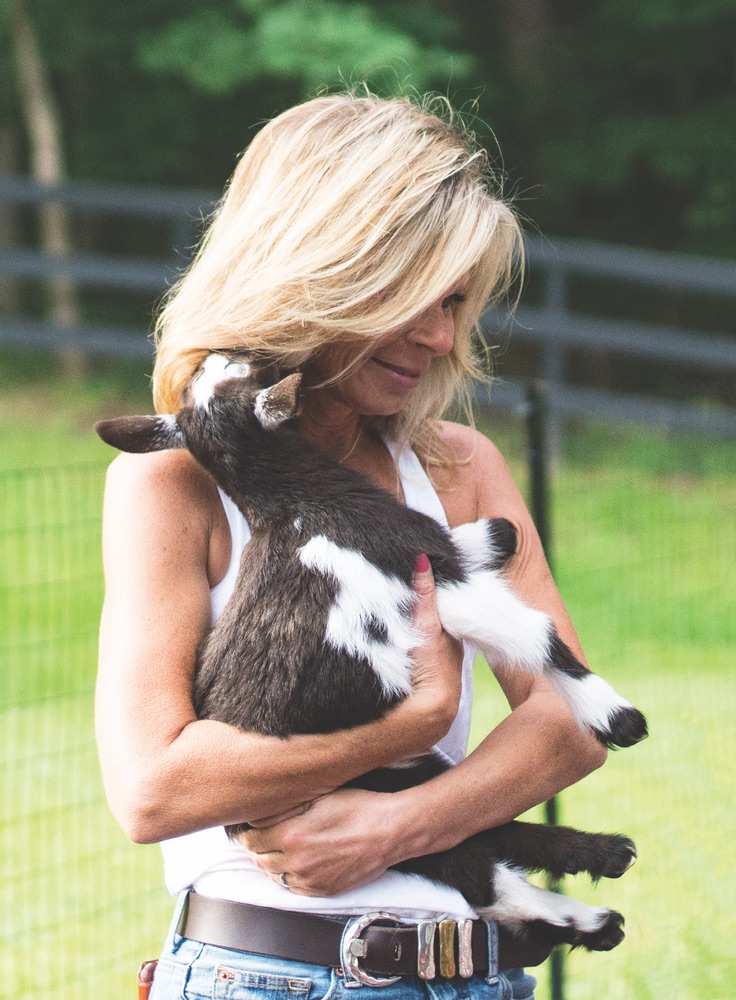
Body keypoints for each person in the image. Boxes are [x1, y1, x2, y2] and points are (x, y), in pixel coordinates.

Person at [96, 92, 607, 1000]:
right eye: (414, 298)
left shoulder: (456, 468)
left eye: (456, 302)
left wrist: (400, 824)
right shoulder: (173, 483)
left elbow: (568, 719)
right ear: (319, 267)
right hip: (268, 975)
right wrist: (408, 725)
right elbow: (153, 788)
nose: (442, 337)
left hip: (476, 977)